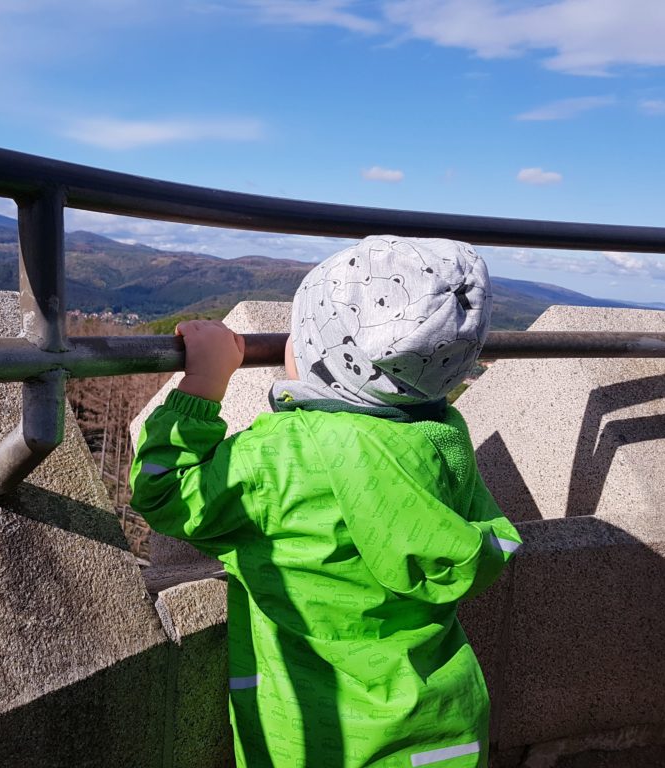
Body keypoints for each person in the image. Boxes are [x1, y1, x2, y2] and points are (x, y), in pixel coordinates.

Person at [130, 235, 521, 768]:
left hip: (314, 739)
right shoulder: (441, 443)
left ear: (321, 355)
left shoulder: (280, 456)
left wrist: (203, 382)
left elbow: (163, 490)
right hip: (443, 727)